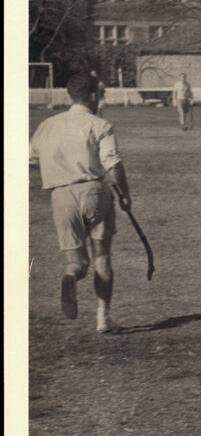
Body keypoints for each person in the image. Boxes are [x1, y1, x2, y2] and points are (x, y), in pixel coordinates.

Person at [29, 72, 132, 333]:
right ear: (94, 95)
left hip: (60, 195)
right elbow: (113, 163)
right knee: (102, 257)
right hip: (94, 192)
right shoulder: (100, 125)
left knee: (77, 262)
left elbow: (30, 161)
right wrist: (124, 194)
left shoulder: (47, 125)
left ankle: (71, 276)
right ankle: (103, 318)